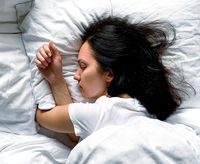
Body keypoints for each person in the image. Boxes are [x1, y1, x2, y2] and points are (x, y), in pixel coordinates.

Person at [35, 16, 182, 140]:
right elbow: (76, 132)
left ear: (109, 74)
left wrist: (56, 80)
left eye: (83, 66)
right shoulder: (148, 112)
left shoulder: (98, 113)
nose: (76, 76)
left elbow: (42, 117)